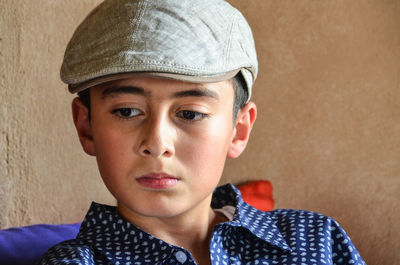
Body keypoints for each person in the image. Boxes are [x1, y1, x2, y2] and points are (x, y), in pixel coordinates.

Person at [39, 0, 365, 264]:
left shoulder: (315, 240)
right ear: (87, 127)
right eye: (127, 111)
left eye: (191, 113)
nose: (157, 143)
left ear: (238, 130)